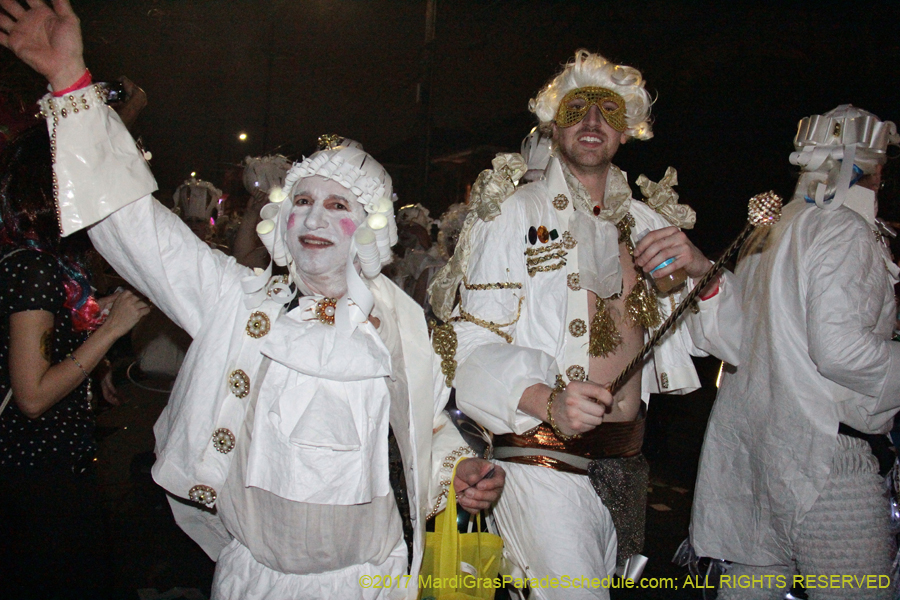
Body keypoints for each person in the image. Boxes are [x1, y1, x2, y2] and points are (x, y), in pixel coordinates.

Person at [0, 2, 504, 599]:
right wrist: (71, 85)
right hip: (254, 582)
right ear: (282, 220)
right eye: (304, 201)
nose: (315, 215)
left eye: (338, 205)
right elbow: (132, 225)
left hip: (369, 585)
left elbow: (422, 428)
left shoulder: (400, 328)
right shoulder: (233, 300)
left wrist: (457, 470)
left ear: (368, 231)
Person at [428, 49, 710, 598]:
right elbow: (467, 342)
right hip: (541, 460)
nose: (591, 122)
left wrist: (701, 270)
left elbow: (727, 337)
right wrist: (543, 399)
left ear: (627, 129)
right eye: (577, 108)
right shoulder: (514, 215)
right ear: (554, 124)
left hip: (626, 468)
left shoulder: (652, 225)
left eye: (608, 110)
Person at [683, 105, 900, 599]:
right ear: (868, 163)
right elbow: (840, 350)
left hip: (755, 460)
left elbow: (739, 340)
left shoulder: (771, 227)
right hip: (825, 462)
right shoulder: (843, 229)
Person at [0, 124, 150, 599]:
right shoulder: (34, 267)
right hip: (37, 475)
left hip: (53, 465)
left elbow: (52, 326)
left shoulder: (44, 261)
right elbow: (32, 395)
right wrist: (110, 332)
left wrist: (101, 310)